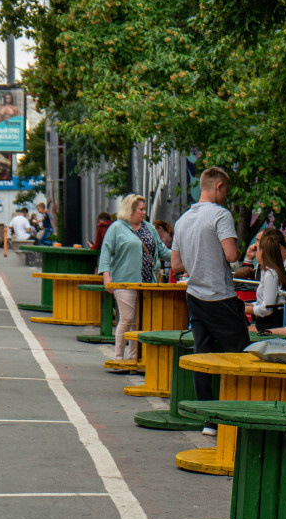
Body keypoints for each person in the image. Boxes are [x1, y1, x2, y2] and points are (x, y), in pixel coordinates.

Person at [170, 168, 249, 435]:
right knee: (240, 355)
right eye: (225, 190)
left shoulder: (182, 221)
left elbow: (176, 264)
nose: (226, 196)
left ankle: (209, 419)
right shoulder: (220, 215)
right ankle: (239, 415)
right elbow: (230, 255)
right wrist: (239, 255)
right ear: (218, 186)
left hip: (194, 295)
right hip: (220, 295)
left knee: (202, 354)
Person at [99, 193, 171, 363]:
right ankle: (118, 356)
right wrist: (106, 276)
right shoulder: (117, 228)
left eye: (144, 209)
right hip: (125, 280)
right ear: (130, 210)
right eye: (141, 209)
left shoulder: (149, 228)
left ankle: (133, 358)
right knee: (127, 318)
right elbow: (105, 252)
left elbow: (162, 251)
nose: (144, 213)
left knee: (139, 321)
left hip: (147, 282)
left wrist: (181, 255)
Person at [245, 229, 286, 330]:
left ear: (262, 253)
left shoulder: (270, 274)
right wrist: (247, 305)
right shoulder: (267, 272)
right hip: (266, 321)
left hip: (269, 325)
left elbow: (267, 309)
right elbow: (262, 302)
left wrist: (245, 309)